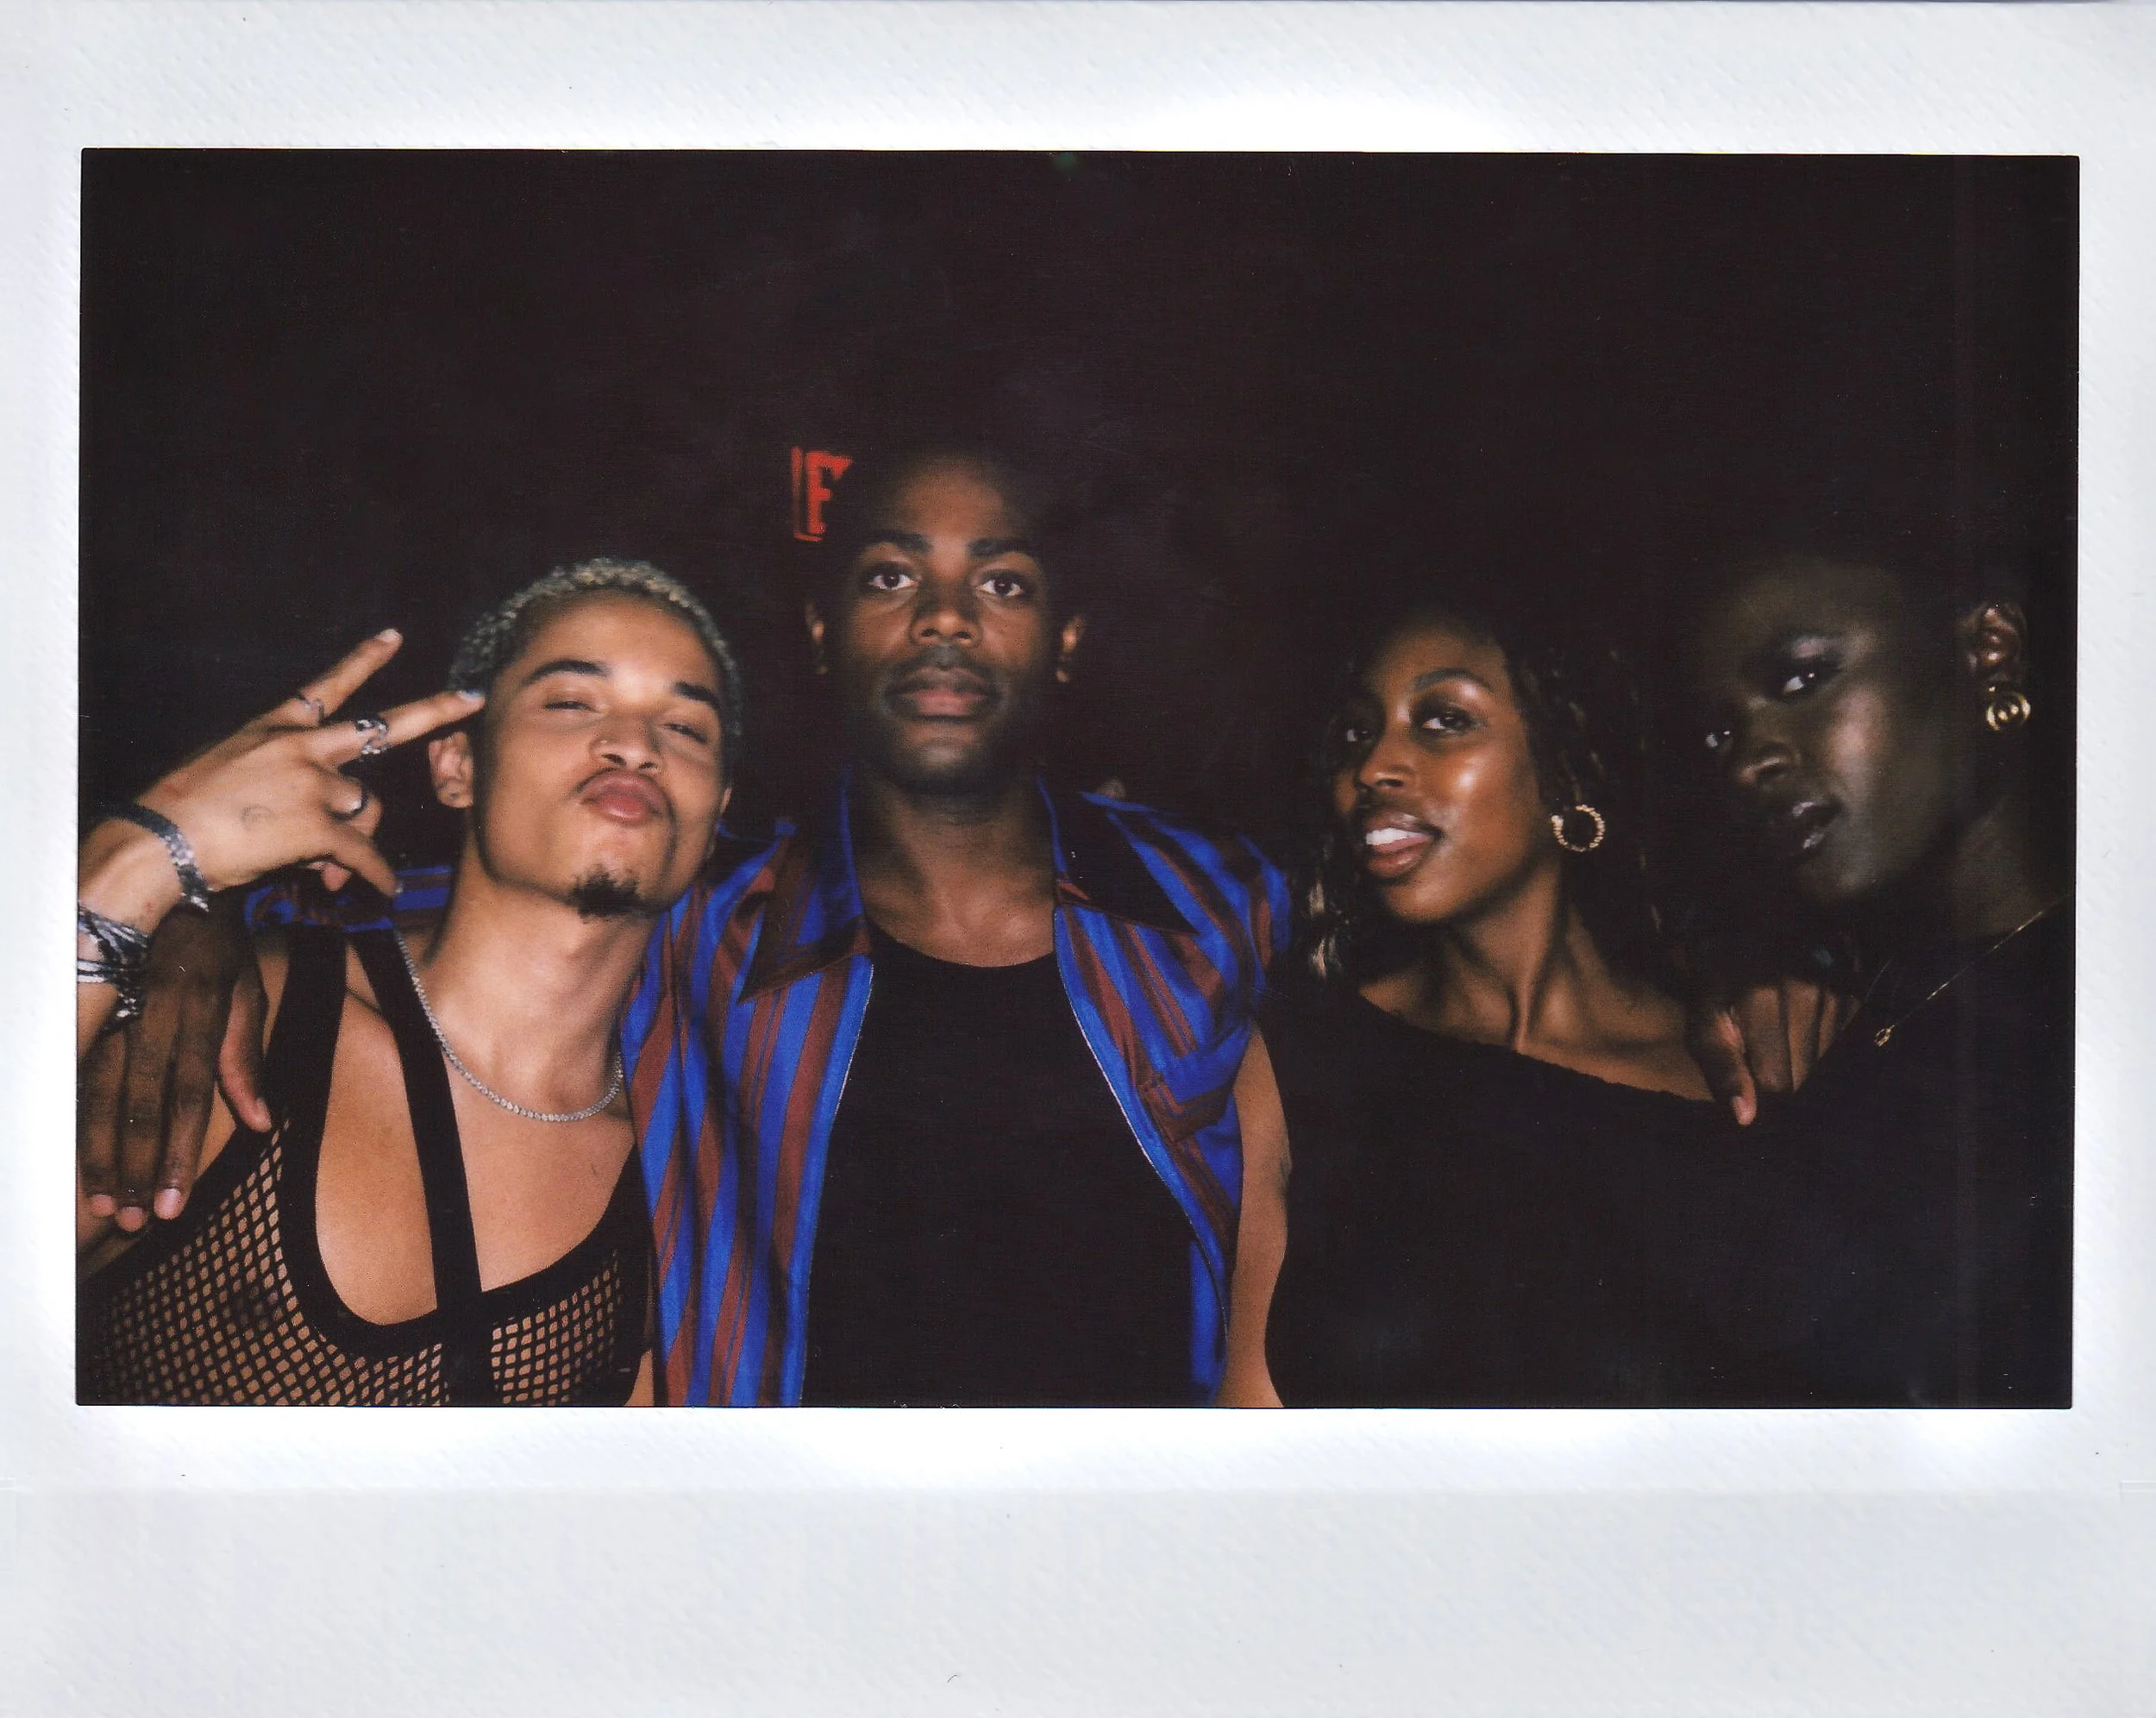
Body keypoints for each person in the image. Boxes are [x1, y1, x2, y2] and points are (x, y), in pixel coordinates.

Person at [77, 560, 739, 1405]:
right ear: (456, 765)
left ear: (718, 810)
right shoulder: (239, 1026)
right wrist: (136, 865)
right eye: (572, 702)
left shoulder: (678, 1196)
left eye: (685, 727)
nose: (636, 746)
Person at [1218, 583, 1767, 1408]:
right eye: (1359, 731)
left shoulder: (1735, 1067)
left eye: (1444, 720)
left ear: (1564, 767)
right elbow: (1251, 1421)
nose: (1372, 767)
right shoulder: (1302, 1062)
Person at [1683, 536, 2071, 1405]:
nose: (1747, 762)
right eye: (1721, 732)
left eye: (1800, 681)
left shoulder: (2099, 1028)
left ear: (1988, 651)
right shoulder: (1833, 1005)